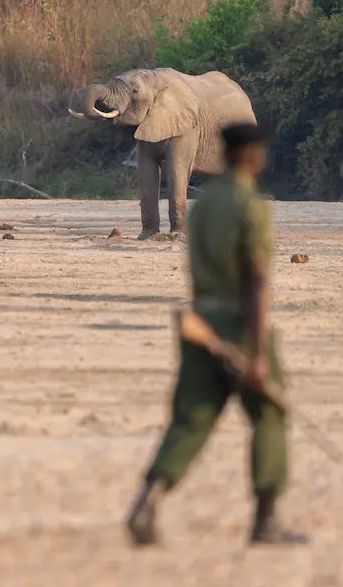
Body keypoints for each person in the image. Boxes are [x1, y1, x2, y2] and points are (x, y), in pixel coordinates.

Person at [125, 122, 306, 547]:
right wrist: (259, 352)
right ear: (251, 156)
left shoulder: (202, 209)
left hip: (199, 324)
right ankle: (266, 520)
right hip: (237, 325)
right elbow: (257, 281)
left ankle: (147, 502)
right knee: (269, 414)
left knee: (191, 417)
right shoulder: (252, 206)